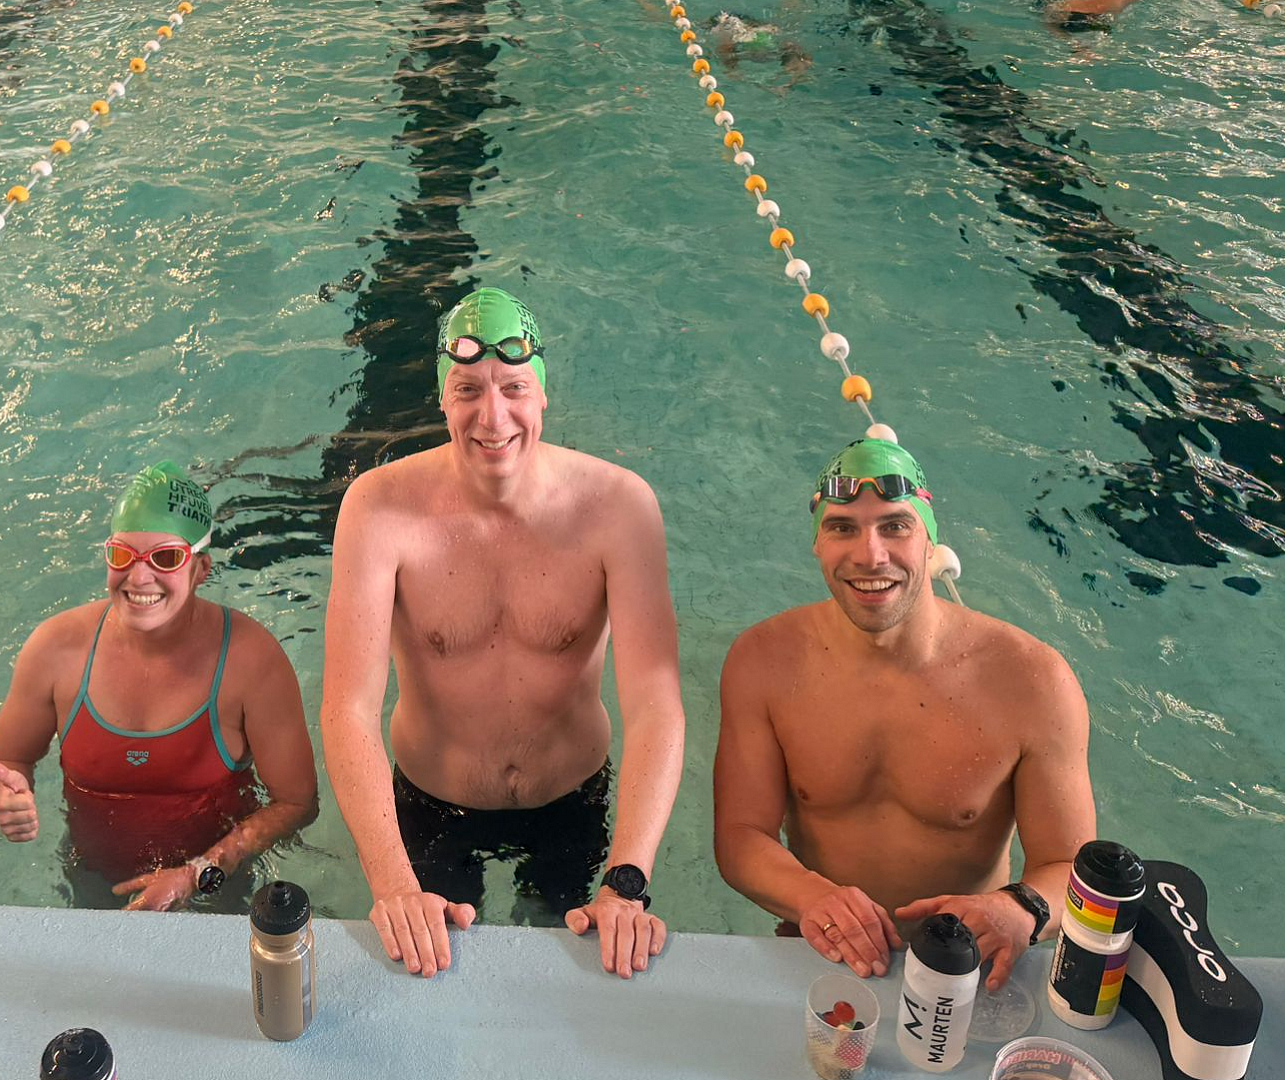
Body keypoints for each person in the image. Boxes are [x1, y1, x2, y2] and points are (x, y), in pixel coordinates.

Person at [321, 288, 687, 980]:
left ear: (542, 394)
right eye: (468, 390)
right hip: (430, 804)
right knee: (429, 980)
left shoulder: (617, 507)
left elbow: (656, 706)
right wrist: (393, 883)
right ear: (442, 398)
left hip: (571, 798)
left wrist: (627, 882)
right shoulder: (378, 509)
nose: (493, 417)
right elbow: (347, 708)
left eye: (514, 388)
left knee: (571, 976)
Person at [714, 437, 1097, 991]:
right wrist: (811, 898)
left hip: (966, 967)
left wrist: (1018, 909)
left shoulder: (1033, 681)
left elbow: (1070, 868)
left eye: (895, 526)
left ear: (930, 540)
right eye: (842, 527)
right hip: (822, 950)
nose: (871, 555)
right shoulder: (764, 661)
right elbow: (741, 835)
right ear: (817, 543)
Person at [0, 462, 318, 911]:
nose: (139, 578)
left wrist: (199, 873)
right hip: (93, 875)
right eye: (122, 556)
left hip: (216, 885)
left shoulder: (251, 661)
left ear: (200, 569)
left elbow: (296, 802)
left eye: (166, 558)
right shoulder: (55, 649)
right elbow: (6, 761)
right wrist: (7, 795)